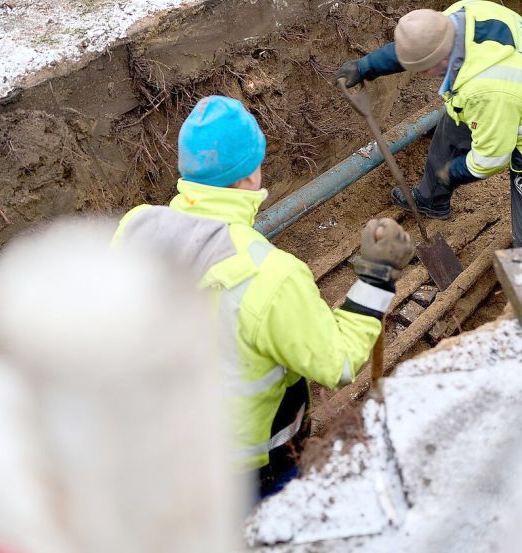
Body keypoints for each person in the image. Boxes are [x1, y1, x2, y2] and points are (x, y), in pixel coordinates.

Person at [113, 96, 414, 499]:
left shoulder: (136, 226)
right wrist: (377, 279)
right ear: (251, 176)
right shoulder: (270, 275)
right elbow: (337, 363)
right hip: (250, 469)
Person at [336, 0, 522, 247]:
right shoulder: (461, 14)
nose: (420, 73)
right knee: (451, 129)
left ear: (437, 62)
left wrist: (452, 173)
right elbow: (418, 46)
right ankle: (431, 200)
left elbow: (491, 158)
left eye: (423, 68)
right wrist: (365, 66)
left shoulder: (486, 89)